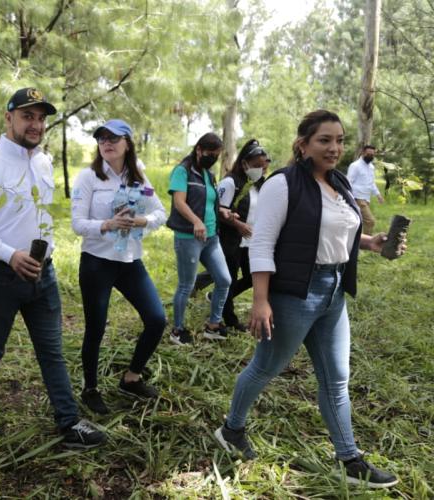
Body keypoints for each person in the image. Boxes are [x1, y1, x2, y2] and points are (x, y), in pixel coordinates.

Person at [215, 110, 400, 489]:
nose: (334, 148)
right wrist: (261, 300)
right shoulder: (283, 185)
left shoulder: (340, 182)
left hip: (333, 293)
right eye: (325, 140)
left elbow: (335, 235)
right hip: (294, 293)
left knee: (336, 380)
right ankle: (231, 429)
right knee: (265, 368)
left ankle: (348, 458)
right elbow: (262, 244)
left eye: (340, 140)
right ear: (303, 144)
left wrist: (370, 243)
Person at [0, 87, 106, 448]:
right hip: (2, 276)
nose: (36, 124)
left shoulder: (43, 162)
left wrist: (47, 254)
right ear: (8, 117)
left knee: (52, 350)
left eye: (41, 118)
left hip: (44, 274)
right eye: (28, 116)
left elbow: (43, 218)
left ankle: (68, 421)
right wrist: (11, 255)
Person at [70, 119, 167, 415]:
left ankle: (131, 377)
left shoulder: (138, 178)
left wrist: (143, 222)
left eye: (114, 137)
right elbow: (77, 224)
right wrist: (107, 224)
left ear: (128, 143)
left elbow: (161, 213)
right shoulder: (89, 178)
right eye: (101, 138)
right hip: (97, 262)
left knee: (156, 318)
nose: (107, 142)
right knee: (96, 328)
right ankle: (90, 389)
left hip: (129, 261)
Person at [166, 132, 231, 345]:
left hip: (211, 237)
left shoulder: (208, 174)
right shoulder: (182, 171)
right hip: (189, 237)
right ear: (199, 149)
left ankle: (213, 325)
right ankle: (177, 329)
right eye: (210, 153)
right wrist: (196, 221)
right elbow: (180, 202)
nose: (213, 157)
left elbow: (209, 200)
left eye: (217, 155)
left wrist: (222, 211)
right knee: (187, 284)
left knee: (224, 280)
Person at [214, 140, 270, 331]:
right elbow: (218, 210)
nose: (260, 170)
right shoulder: (231, 183)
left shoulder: (258, 185)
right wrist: (237, 224)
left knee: (251, 278)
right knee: (229, 278)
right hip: (231, 240)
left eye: (263, 167)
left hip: (251, 242)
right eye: (256, 166)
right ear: (245, 163)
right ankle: (229, 319)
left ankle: (217, 298)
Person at [347, 144, 383, 235]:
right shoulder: (355, 166)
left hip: (366, 198)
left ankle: (357, 240)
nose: (370, 156)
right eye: (368, 154)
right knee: (370, 221)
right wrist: (348, 197)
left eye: (372, 154)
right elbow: (349, 182)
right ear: (363, 152)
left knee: (357, 221)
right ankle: (368, 241)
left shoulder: (371, 167)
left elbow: (371, 182)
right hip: (357, 197)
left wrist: (378, 195)